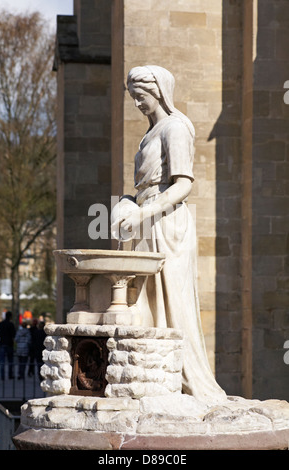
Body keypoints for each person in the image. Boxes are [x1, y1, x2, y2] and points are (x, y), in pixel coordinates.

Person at [114, 65, 226, 402]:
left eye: (141, 97)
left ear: (159, 92)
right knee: (146, 302)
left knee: (171, 302)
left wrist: (143, 211)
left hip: (167, 224)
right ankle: (155, 378)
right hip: (148, 220)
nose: (137, 104)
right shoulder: (151, 132)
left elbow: (182, 186)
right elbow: (147, 186)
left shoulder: (175, 128)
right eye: (133, 97)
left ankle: (181, 378)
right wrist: (126, 202)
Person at [0, 311, 16, 380]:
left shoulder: (1, 323)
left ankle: (2, 376)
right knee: (10, 361)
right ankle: (10, 375)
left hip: (2, 343)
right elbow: (14, 334)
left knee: (2, 361)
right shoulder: (11, 324)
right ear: (10, 317)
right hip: (9, 344)